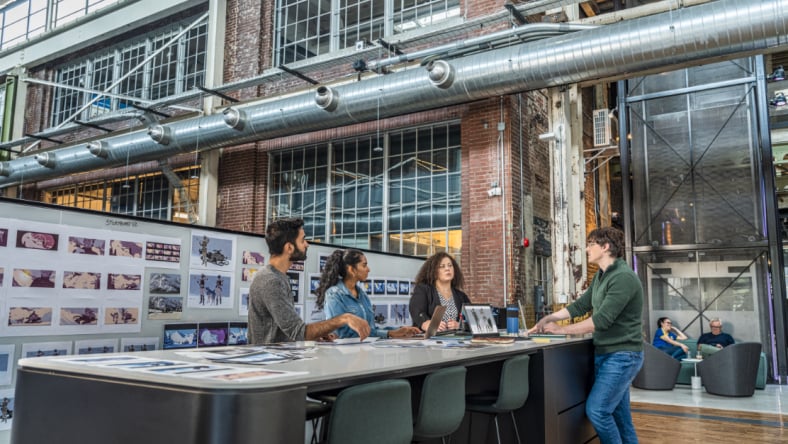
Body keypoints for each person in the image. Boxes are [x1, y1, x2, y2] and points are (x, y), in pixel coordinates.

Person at [529, 227, 643, 444]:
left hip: (622, 355)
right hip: (607, 354)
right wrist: (550, 318)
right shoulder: (602, 276)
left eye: (591, 244)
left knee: (598, 411)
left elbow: (600, 321)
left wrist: (561, 330)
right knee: (620, 417)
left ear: (606, 247)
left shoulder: (623, 278)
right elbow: (581, 306)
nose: (587, 248)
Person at [248, 218, 371, 344]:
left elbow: (289, 331)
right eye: (302, 240)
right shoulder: (270, 280)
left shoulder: (279, 277)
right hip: (271, 360)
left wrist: (319, 334)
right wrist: (344, 318)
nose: (307, 244)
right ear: (289, 247)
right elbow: (299, 332)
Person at [316, 249, 421, 339]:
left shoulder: (362, 295)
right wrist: (389, 333)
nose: (368, 269)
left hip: (365, 351)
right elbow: (342, 334)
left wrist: (399, 330)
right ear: (351, 269)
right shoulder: (334, 295)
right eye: (364, 265)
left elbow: (371, 329)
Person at [409, 252, 471, 332]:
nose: (447, 268)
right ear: (433, 271)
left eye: (450, 265)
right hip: (430, 341)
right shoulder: (423, 289)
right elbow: (416, 310)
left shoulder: (461, 296)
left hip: (455, 341)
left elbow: (472, 320)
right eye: (442, 266)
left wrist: (460, 325)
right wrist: (426, 323)